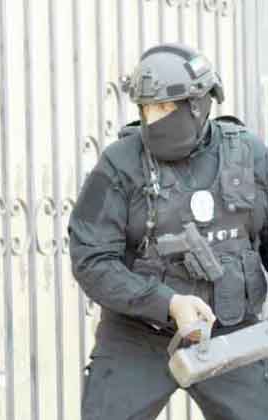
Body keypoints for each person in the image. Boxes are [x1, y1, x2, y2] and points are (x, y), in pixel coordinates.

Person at [69, 43, 268, 420]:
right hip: (137, 335)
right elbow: (91, 260)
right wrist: (169, 303)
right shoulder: (118, 164)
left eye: (165, 107)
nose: (154, 118)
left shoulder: (250, 155)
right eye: (147, 109)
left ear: (199, 104)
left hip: (231, 332)